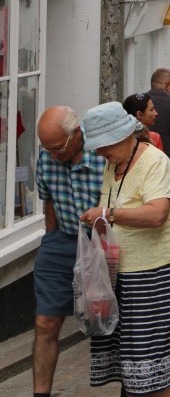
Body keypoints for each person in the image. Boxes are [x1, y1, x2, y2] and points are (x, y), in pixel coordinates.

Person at [80, 101, 170, 395]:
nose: (100, 152)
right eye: (97, 147)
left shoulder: (154, 162)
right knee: (135, 363)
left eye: (104, 145)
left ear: (124, 136)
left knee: (158, 364)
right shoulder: (114, 162)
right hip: (127, 274)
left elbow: (156, 215)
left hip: (162, 272)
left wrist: (107, 214)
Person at [33, 106, 105, 397]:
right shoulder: (47, 157)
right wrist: (51, 238)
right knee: (45, 322)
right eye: (46, 148)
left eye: (57, 148)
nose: (52, 155)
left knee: (112, 322)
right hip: (61, 240)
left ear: (77, 134)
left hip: (103, 244)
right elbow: (48, 200)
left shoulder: (102, 153)